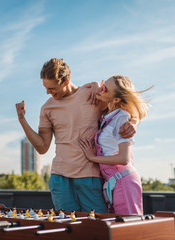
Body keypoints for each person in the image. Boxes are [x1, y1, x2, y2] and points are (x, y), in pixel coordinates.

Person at [15, 58, 137, 213]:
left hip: (90, 177)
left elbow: (123, 105)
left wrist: (133, 122)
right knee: (68, 231)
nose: (48, 93)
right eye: (45, 88)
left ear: (66, 82)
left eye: (52, 88)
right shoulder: (47, 108)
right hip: (59, 178)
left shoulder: (92, 94)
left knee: (96, 228)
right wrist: (22, 120)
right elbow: (42, 147)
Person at [78, 75, 151, 215]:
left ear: (116, 99)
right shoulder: (109, 116)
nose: (100, 89)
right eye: (102, 84)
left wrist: (92, 157)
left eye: (105, 89)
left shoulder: (122, 117)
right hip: (114, 184)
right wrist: (94, 84)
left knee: (129, 230)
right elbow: (78, 89)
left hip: (124, 182)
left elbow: (123, 159)